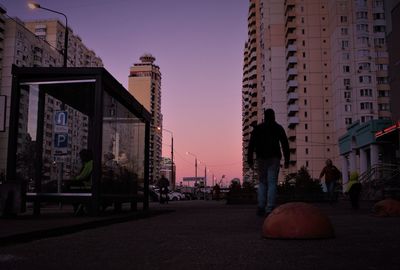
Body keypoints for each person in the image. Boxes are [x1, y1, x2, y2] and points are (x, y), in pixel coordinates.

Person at [247, 108, 290, 217]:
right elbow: (285, 143)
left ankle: (261, 207)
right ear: (274, 116)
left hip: (261, 158)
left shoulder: (258, 128)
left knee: (262, 183)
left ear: (264, 117)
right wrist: (287, 160)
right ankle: (270, 208)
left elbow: (251, 145)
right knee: (272, 183)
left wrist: (250, 160)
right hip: (274, 157)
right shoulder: (278, 128)